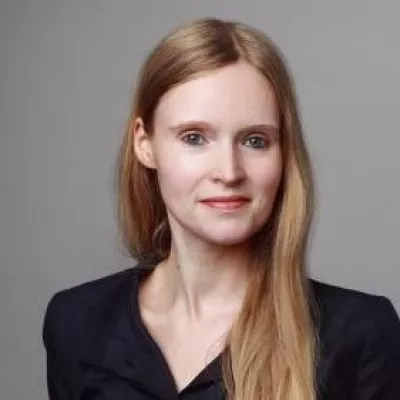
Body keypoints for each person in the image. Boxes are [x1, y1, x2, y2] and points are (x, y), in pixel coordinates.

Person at [42, 17, 400, 400]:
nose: (229, 172)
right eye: (194, 138)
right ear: (145, 144)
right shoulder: (76, 322)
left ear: (284, 153)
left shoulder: (361, 335)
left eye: (255, 140)